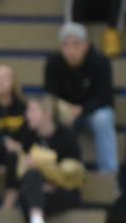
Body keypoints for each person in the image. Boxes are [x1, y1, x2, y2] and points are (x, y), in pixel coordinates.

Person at [10, 96, 85, 223]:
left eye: (32, 111)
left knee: (31, 190)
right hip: (38, 190)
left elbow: (74, 173)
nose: (27, 115)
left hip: (64, 190)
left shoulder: (66, 136)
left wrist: (45, 168)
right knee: (31, 182)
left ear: (47, 114)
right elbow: (21, 172)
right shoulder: (27, 135)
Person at [43, 22, 118, 173]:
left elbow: (105, 96)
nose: (70, 50)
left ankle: (109, 174)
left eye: (75, 44)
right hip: (66, 112)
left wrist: (82, 109)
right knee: (49, 117)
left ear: (86, 45)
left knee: (103, 119)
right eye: (66, 45)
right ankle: (55, 171)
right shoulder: (53, 63)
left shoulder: (100, 62)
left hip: (92, 111)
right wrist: (62, 109)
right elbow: (50, 94)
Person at [0, 64, 28, 208]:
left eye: (6, 77)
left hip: (14, 155)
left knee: (14, 154)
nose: (1, 81)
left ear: (14, 81)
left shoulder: (23, 107)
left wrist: (17, 145)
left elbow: (29, 135)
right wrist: (2, 140)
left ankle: (9, 200)